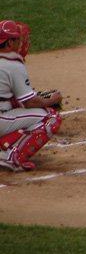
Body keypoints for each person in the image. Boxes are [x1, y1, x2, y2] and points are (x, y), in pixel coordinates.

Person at [0, 20, 63, 172]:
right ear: (9, 43)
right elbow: (29, 102)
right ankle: (10, 158)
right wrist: (51, 100)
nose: (21, 43)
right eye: (18, 39)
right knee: (50, 118)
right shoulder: (13, 65)